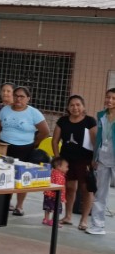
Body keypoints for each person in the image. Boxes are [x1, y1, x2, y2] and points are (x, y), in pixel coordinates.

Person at [0, 86, 49, 215]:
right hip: (5, 147)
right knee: (5, 176)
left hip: (25, 148)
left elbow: (45, 131)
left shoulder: (34, 113)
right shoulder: (5, 110)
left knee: (22, 178)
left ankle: (19, 206)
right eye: (16, 96)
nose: (18, 99)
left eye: (22, 96)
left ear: (28, 98)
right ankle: (5, 203)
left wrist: (34, 143)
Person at [52, 94, 97, 229]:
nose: (75, 107)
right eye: (72, 105)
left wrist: (95, 159)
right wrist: (58, 158)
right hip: (67, 160)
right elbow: (55, 141)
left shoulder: (90, 121)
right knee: (70, 188)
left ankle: (84, 220)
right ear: (68, 107)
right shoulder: (62, 121)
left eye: (78, 105)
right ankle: (68, 216)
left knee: (86, 189)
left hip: (85, 160)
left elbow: (95, 142)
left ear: (83, 107)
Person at [88, 88, 115, 236]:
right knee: (100, 194)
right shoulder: (101, 115)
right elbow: (98, 138)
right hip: (103, 158)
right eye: (108, 97)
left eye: (113, 98)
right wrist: (95, 157)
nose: (109, 100)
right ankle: (97, 226)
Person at [44, 156, 68, 226]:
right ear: (59, 167)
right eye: (66, 167)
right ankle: (53, 221)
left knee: (48, 207)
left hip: (48, 193)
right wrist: (62, 198)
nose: (67, 169)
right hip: (55, 196)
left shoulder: (52, 172)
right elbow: (59, 188)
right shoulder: (60, 176)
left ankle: (46, 219)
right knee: (56, 209)